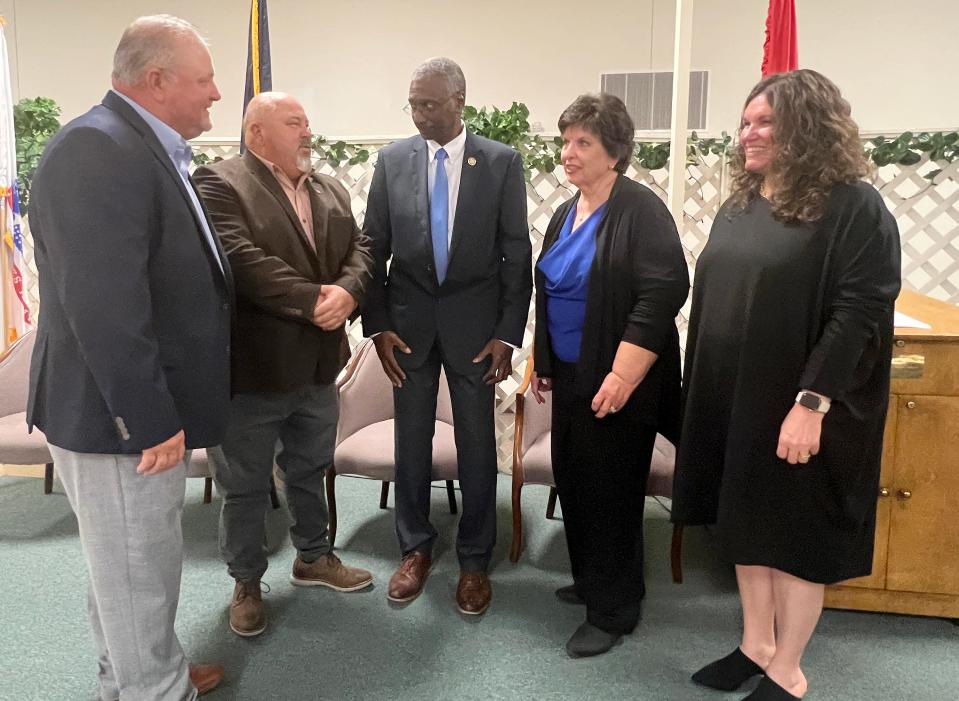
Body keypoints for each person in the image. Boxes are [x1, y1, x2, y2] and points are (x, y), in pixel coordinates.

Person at [671, 69, 901, 701]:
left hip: (805, 402)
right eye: (745, 122)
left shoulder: (854, 206)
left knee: (794, 534)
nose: (749, 133)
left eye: (765, 121)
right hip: (736, 395)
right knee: (745, 525)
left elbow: (860, 312)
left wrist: (811, 403)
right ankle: (757, 643)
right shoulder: (741, 203)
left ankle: (788, 669)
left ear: (806, 126)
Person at [26, 15, 230, 700]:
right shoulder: (98, 148)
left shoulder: (135, 145)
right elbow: (105, 308)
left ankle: (135, 673)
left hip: (127, 413)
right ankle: (154, 686)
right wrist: (146, 418)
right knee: (136, 570)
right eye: (204, 81)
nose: (216, 95)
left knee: (127, 569)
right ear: (158, 80)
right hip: (117, 419)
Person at [194, 92, 374, 637]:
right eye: (295, 123)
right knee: (245, 486)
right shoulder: (220, 182)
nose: (307, 132)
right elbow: (240, 259)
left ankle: (313, 559)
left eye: (307, 123)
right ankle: (246, 581)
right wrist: (315, 300)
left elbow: (361, 248)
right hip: (253, 371)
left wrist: (348, 291)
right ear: (256, 133)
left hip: (319, 368)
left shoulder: (329, 187)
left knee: (309, 470)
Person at [361, 57, 532, 615]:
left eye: (429, 104)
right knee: (409, 441)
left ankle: (475, 559)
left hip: (476, 330)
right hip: (407, 327)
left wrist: (508, 333)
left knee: (478, 443)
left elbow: (516, 253)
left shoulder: (501, 163)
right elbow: (373, 246)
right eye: (412, 104)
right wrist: (378, 324)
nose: (418, 116)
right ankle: (414, 549)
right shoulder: (392, 161)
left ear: (461, 99)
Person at [530, 93, 689, 657]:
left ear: (614, 152)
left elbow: (664, 290)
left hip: (621, 379)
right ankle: (595, 580)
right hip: (572, 374)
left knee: (612, 491)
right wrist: (544, 363)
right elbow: (549, 290)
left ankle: (615, 609)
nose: (568, 153)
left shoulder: (639, 209)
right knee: (574, 478)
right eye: (566, 141)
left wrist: (623, 375)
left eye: (583, 143)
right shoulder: (565, 209)